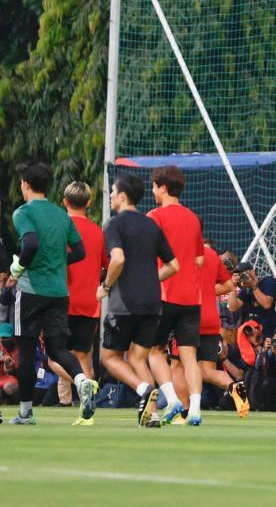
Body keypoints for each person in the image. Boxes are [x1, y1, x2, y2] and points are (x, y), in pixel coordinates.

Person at [9, 162, 97, 426]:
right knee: (58, 349)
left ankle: (25, 412)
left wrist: (19, 265)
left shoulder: (23, 212)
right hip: (59, 292)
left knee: (25, 349)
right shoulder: (62, 215)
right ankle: (83, 382)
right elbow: (80, 252)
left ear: (25, 185)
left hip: (31, 290)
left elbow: (31, 242)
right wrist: (56, 262)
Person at [98, 174, 180, 427]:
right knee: (137, 358)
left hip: (125, 303)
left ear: (122, 196)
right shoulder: (151, 224)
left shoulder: (114, 224)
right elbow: (174, 265)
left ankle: (143, 389)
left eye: (112, 192)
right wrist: (150, 280)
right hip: (153, 303)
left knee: (109, 357)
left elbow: (118, 259)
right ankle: (152, 414)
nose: (110, 196)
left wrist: (106, 286)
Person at [146, 165, 205, 425]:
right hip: (191, 297)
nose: (152, 191)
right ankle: (195, 409)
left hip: (163, 293)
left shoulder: (155, 216)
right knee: (189, 356)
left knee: (153, 350)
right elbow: (200, 259)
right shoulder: (193, 218)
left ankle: (172, 400)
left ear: (163, 187)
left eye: (154, 186)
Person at [197, 237, 248, 417]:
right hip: (212, 323)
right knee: (207, 372)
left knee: (180, 366)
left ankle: (186, 410)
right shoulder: (215, 266)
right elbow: (227, 287)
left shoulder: (190, 260)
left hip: (192, 320)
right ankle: (235, 387)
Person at [63, 182, 107, 383]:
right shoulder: (98, 232)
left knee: (56, 354)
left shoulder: (60, 227)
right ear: (89, 202)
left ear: (64, 202)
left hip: (62, 300)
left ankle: (82, 385)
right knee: (82, 356)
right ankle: (89, 408)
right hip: (90, 304)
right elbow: (108, 265)